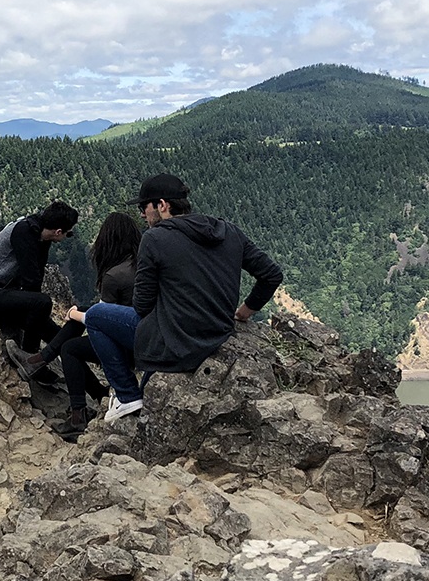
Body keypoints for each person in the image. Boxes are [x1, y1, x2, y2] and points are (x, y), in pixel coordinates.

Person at [85, 173, 282, 422]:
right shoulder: (228, 231)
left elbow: (142, 306)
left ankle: (126, 395)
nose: (142, 215)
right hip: (218, 334)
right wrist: (244, 311)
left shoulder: (154, 239)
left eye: (143, 207)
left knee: (95, 316)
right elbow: (272, 275)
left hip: (176, 341)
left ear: (162, 205)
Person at [9, 211, 141, 437]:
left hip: (128, 347)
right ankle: (42, 362)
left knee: (70, 349)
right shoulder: (140, 266)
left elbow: (104, 321)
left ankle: (76, 413)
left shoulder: (114, 276)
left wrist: (77, 316)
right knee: (81, 313)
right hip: (144, 336)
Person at [0, 200, 80, 352]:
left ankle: (77, 363)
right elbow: (31, 281)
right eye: (69, 233)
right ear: (58, 232)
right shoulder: (24, 233)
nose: (67, 236)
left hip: (4, 291)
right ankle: (29, 356)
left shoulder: (39, 234)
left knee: (59, 336)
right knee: (42, 303)